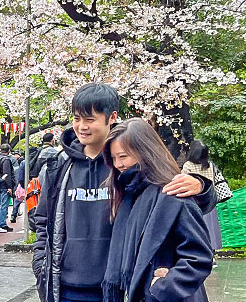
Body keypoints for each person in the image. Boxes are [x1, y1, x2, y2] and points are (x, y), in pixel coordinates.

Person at [31, 83, 216, 302]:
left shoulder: (131, 168)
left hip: (117, 288)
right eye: (77, 118)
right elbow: (43, 222)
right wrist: (41, 263)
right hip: (66, 288)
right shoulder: (60, 167)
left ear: (111, 117)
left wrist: (201, 187)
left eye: (90, 120)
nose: (82, 127)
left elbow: (171, 200)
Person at [102, 119, 213, 302]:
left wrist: (162, 288)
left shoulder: (172, 194)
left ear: (144, 152)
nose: (118, 164)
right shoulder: (127, 194)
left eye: (123, 156)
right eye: (113, 158)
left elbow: (198, 256)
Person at [182, 140, 224, 252]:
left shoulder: (188, 165)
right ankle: (212, 253)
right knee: (211, 228)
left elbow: (183, 180)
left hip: (195, 201)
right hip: (210, 199)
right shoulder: (210, 165)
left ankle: (200, 252)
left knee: (197, 228)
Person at [0, 144, 16, 231]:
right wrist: (9, 187)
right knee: (4, 205)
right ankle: (2, 223)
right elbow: (7, 174)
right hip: (4, 186)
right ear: (9, 151)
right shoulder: (6, 160)